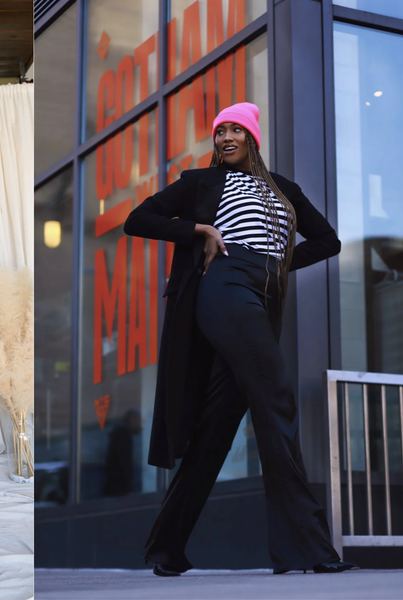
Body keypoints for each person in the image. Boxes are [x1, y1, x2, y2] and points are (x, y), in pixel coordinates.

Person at [125, 102, 355, 576]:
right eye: (219, 131)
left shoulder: (283, 189)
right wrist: (200, 230)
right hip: (225, 287)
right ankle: (308, 549)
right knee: (277, 404)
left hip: (263, 293)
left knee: (216, 428)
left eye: (235, 130)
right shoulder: (201, 182)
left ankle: (167, 549)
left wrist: (276, 264)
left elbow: (327, 240)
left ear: (252, 137)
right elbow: (138, 219)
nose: (225, 137)